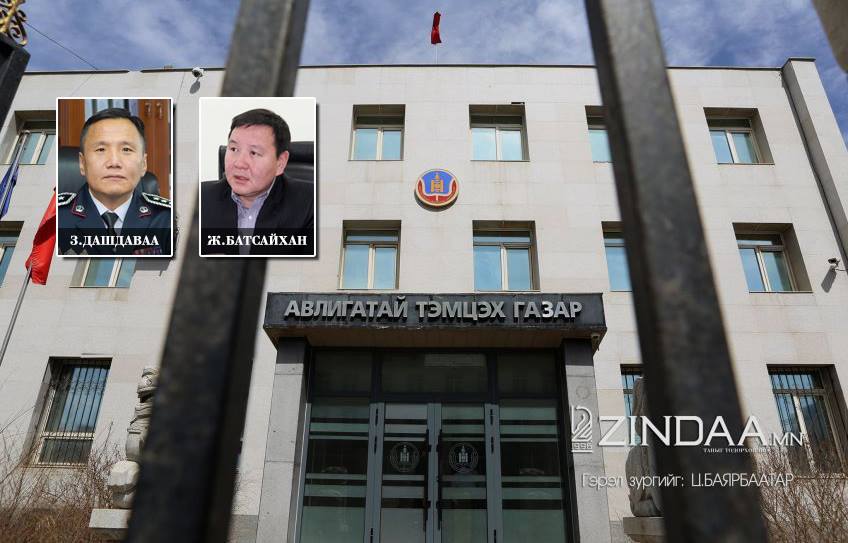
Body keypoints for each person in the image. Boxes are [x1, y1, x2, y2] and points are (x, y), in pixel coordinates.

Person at [58, 108, 172, 256]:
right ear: (82, 163)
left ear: (143, 164)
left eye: (126, 149)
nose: (114, 162)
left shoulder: (166, 219)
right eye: (101, 150)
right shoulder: (56, 218)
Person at [200, 108, 314, 256]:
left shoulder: (311, 204)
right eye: (234, 149)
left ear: (280, 162)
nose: (239, 163)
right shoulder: (199, 199)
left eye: (254, 153)